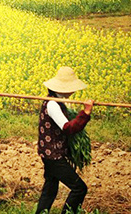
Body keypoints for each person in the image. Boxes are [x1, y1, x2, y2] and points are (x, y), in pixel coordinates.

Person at [35, 66, 94, 214]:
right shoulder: (53, 104)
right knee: (79, 188)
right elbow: (68, 128)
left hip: (49, 154)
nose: (74, 91)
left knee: (50, 188)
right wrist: (85, 113)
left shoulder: (54, 101)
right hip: (53, 156)